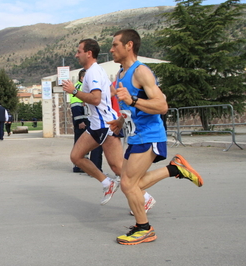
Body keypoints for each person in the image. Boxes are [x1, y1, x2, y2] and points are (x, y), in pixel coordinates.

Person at [109, 29, 203, 245]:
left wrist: (132, 100)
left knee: (128, 184)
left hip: (149, 135)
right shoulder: (120, 75)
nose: (111, 49)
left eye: (115, 45)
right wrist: (121, 122)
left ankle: (144, 229)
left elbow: (162, 106)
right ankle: (174, 169)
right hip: (135, 136)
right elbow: (131, 109)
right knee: (131, 183)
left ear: (129, 45)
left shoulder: (141, 72)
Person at [62, 38, 123, 206]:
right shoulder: (96, 71)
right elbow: (110, 91)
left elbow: (96, 99)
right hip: (97, 124)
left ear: (89, 53)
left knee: (118, 168)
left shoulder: (93, 72)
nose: (76, 55)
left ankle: (143, 198)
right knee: (76, 156)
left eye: (79, 51)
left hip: (105, 125)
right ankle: (107, 183)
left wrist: (74, 91)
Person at [70, 69, 104, 173]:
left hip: (82, 119)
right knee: (85, 143)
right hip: (83, 120)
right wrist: (80, 121)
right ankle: (82, 166)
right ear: (82, 78)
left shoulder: (77, 86)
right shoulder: (80, 87)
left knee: (80, 143)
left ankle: (80, 166)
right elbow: (76, 105)